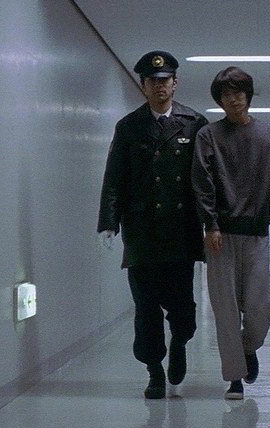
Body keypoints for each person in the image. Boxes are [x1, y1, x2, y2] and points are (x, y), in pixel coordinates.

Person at [97, 50, 208, 399]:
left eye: (165, 80)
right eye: (152, 81)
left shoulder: (194, 123)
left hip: (181, 230)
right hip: (142, 231)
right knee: (146, 308)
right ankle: (154, 370)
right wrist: (108, 221)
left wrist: (212, 222)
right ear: (143, 86)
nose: (159, 86)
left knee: (182, 308)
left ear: (175, 83)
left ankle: (180, 343)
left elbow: (205, 179)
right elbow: (114, 177)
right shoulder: (129, 126)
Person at [191, 66, 270, 400]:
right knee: (226, 309)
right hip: (220, 235)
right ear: (219, 100)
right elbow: (202, 182)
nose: (233, 99)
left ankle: (249, 349)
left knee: (260, 307)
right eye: (226, 94)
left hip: (257, 233)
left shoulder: (269, 135)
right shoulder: (208, 136)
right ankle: (234, 377)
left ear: (248, 95)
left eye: (238, 92)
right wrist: (210, 223)